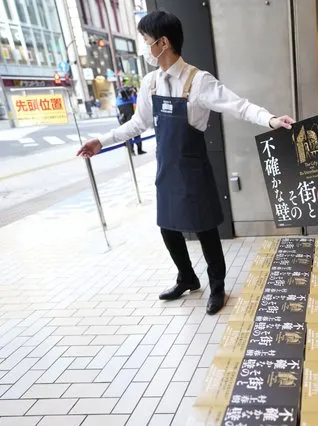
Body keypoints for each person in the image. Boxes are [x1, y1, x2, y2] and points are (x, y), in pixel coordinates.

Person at [77, 11, 294, 315]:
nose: (144, 47)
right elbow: (137, 124)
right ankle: (187, 277)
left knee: (206, 230)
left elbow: (238, 106)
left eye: (146, 40)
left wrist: (270, 119)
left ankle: (216, 285)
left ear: (163, 43)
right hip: (166, 170)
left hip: (193, 169)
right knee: (168, 228)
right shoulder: (150, 83)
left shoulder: (198, 80)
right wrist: (102, 141)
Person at [116, 86, 145, 155]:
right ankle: (139, 150)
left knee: (127, 134)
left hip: (124, 118)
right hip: (132, 116)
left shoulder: (118, 100)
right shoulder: (132, 98)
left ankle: (131, 151)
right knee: (137, 133)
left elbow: (118, 114)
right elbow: (138, 107)